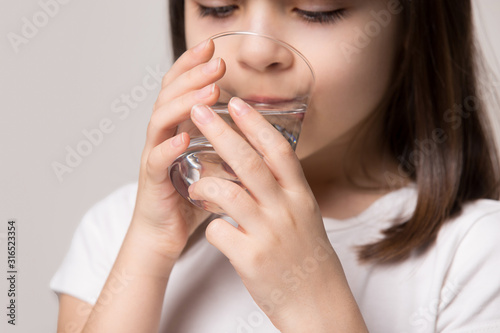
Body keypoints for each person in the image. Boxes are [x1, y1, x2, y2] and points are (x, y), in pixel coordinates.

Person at [50, 0, 500, 332]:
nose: (257, 51)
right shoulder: (117, 232)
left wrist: (313, 304)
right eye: (219, 7)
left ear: (410, 23)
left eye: (315, 10)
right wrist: (150, 250)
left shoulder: (477, 255)